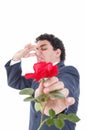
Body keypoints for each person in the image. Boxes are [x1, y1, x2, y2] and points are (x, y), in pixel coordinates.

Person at [5, 33, 80, 130]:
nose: (37, 53)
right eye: (36, 49)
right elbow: (14, 81)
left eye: (43, 49)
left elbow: (67, 85)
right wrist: (16, 58)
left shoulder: (68, 71)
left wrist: (58, 94)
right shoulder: (37, 77)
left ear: (57, 52)